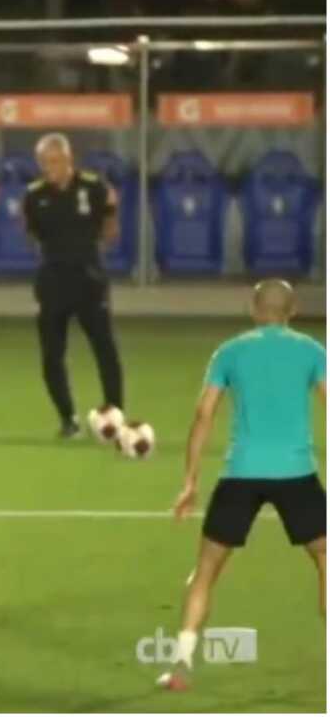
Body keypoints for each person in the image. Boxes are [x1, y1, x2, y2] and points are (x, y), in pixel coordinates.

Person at [158, 280, 326, 691]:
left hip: (241, 475)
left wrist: (190, 482)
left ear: (253, 308)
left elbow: (203, 415)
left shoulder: (229, 351)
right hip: (297, 474)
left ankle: (181, 664)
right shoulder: (312, 351)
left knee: (206, 571)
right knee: (325, 561)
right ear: (294, 310)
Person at [21, 133, 123, 438]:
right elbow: (30, 234)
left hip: (89, 278)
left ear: (69, 159)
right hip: (52, 281)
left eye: (55, 161)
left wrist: (90, 249)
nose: (50, 167)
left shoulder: (94, 187)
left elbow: (110, 225)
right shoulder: (34, 195)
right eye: (44, 162)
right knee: (52, 353)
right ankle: (68, 419)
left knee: (104, 348)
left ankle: (114, 413)